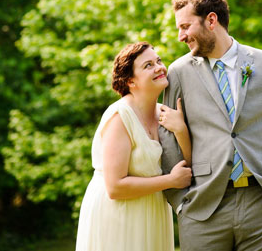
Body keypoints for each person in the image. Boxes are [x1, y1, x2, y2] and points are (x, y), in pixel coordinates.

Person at [160, 0, 262, 251]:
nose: (180, 36)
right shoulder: (178, 72)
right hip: (203, 206)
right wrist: (180, 201)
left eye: (185, 26)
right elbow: (167, 136)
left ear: (211, 20)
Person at [75, 41, 193, 251]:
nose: (159, 67)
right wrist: (170, 181)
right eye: (148, 65)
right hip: (118, 214)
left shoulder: (165, 113)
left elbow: (187, 166)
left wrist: (181, 130)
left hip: (153, 211)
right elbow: (115, 187)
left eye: (158, 61)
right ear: (131, 81)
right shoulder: (120, 116)